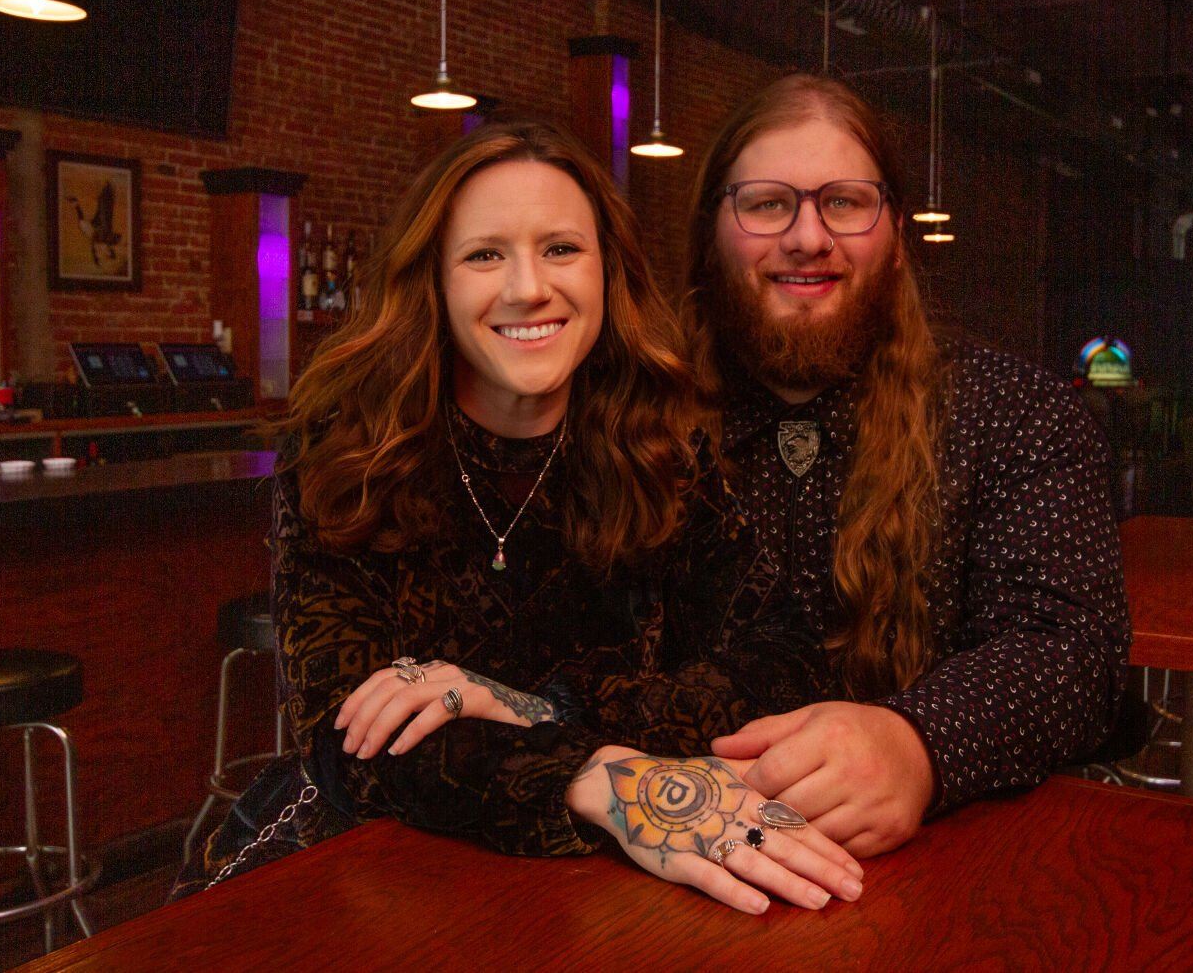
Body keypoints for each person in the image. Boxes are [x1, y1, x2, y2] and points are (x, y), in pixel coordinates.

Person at [175, 119, 861, 914]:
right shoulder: (345, 455)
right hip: (379, 876)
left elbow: (782, 660)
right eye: (484, 254)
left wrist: (531, 707)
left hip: (610, 889)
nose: (527, 287)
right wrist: (593, 772)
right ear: (433, 280)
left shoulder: (665, 445)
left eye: (561, 249)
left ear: (608, 272)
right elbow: (350, 742)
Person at [680, 74, 1132, 858]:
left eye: (844, 202)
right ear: (711, 230)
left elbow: (1071, 648)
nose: (807, 236)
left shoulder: (1012, 413)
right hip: (668, 867)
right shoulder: (633, 419)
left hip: (942, 871)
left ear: (894, 233)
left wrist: (919, 741)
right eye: (765, 203)